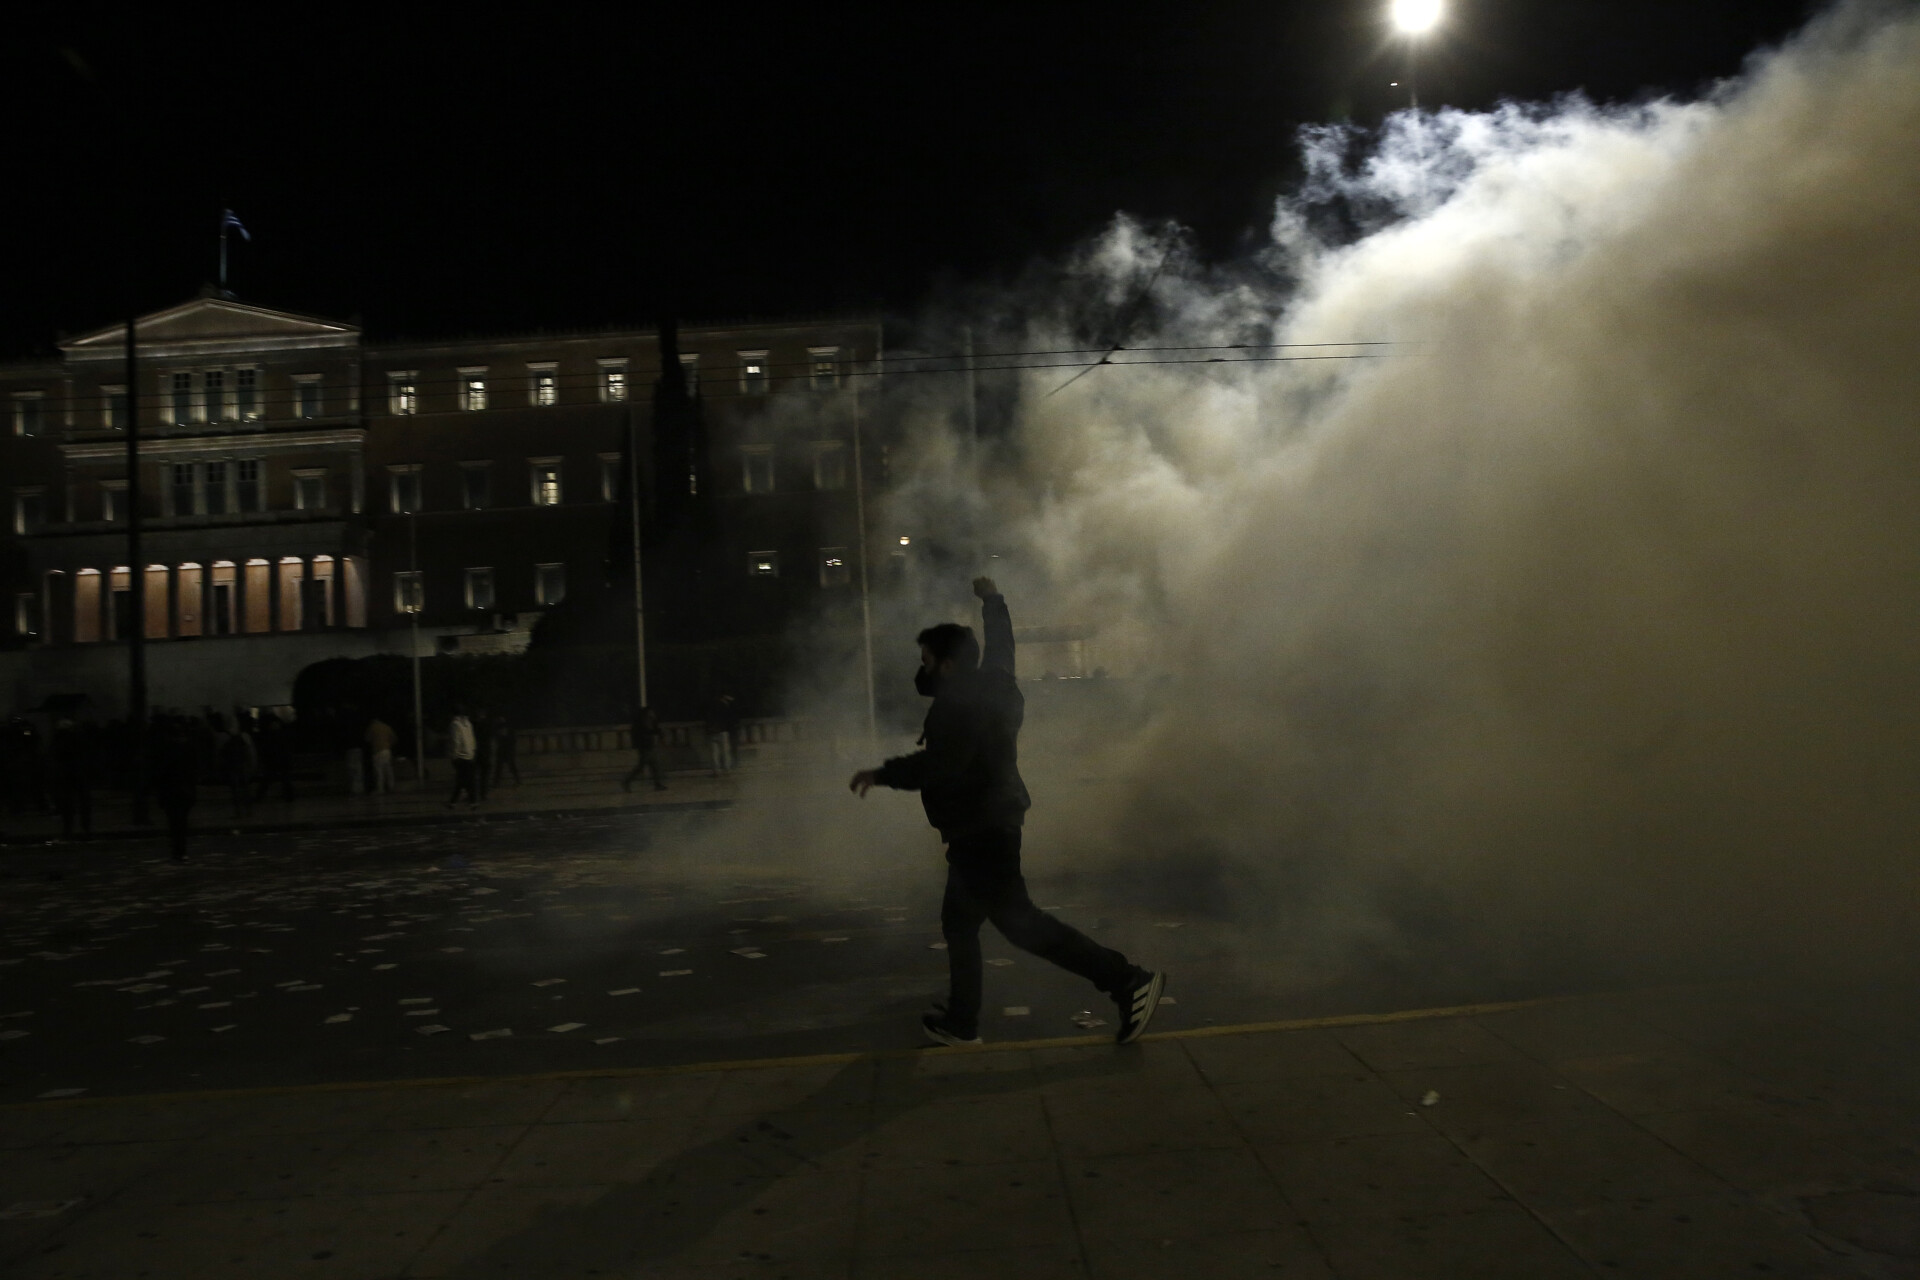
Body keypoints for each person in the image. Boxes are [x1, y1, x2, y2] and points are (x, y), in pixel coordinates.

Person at [850, 576, 1165, 1047]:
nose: (923, 669)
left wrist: (882, 774)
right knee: (962, 923)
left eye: (928, 661)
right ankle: (962, 1021)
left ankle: (1128, 981)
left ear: (948, 665)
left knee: (1023, 926)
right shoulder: (994, 683)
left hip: (982, 828)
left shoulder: (957, 708)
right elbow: (1002, 646)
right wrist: (993, 601)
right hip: (988, 822)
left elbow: (942, 764)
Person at [151, 716, 197, 862]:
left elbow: (161, 772)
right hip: (184, 790)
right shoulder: (188, 748)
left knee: (173, 822)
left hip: (171, 790)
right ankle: (181, 850)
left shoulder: (166, 749)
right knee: (182, 822)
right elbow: (192, 772)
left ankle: (177, 850)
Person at [49, 717, 93, 839]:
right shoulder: (79, 738)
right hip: (78, 772)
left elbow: (54, 756)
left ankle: (68, 828)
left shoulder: (57, 739)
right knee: (83, 801)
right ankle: (85, 827)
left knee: (67, 803)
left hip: (65, 774)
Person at [622, 705, 667, 792]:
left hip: (649, 746)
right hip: (644, 747)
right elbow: (644, 733)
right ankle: (626, 781)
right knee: (642, 767)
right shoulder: (641, 722)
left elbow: (656, 730)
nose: (653, 713)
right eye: (651, 712)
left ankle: (657, 784)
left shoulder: (651, 721)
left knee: (654, 766)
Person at [220, 721, 257, 817]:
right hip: (242, 767)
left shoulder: (228, 743)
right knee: (245, 790)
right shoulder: (242, 741)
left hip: (234, 768)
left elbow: (224, 757)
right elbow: (248, 754)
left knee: (236, 791)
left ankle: (239, 811)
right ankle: (248, 810)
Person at [445, 706, 479, 809]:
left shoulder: (455, 724)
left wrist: (454, 755)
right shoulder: (468, 723)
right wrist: (473, 751)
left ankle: (455, 802)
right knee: (467, 779)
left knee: (462, 780)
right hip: (469, 755)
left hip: (460, 756)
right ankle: (470, 801)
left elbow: (456, 741)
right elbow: (472, 739)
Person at [705, 692, 738, 776]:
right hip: (722, 731)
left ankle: (716, 771)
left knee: (714, 753)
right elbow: (730, 717)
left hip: (712, 731)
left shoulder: (710, 705)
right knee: (725, 752)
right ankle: (727, 770)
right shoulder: (724, 706)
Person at [365, 716, 398, 794]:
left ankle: (380, 789)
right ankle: (391, 787)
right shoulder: (387, 727)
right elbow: (394, 739)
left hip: (377, 751)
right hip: (387, 750)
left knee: (379, 771)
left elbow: (367, 739)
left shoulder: (372, 727)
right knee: (388, 770)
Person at [490, 711, 520, 787]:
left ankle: (497, 782)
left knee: (505, 767)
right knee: (503, 767)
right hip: (505, 750)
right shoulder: (506, 729)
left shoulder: (501, 729)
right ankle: (517, 780)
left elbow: (512, 740)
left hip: (506, 750)